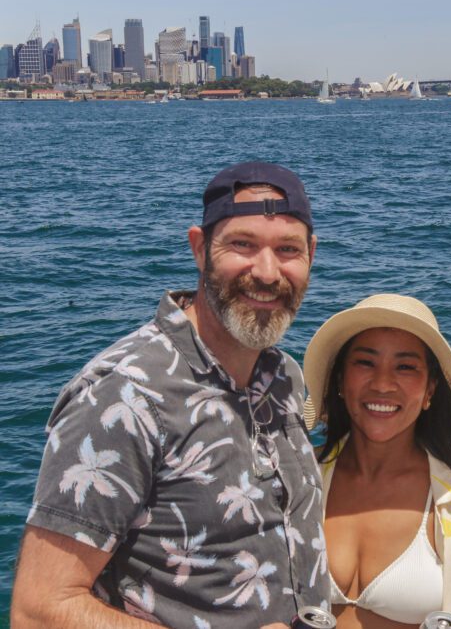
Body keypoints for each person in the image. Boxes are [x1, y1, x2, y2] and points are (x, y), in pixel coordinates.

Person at [11, 162, 328, 629]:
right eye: (242, 245)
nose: (266, 272)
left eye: (288, 250)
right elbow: (39, 611)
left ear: (311, 256)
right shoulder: (125, 394)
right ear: (200, 249)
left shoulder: (283, 375)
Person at [302, 294, 451, 629]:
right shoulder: (299, 480)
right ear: (339, 382)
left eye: (405, 367)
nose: (382, 384)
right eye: (365, 362)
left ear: (430, 389)